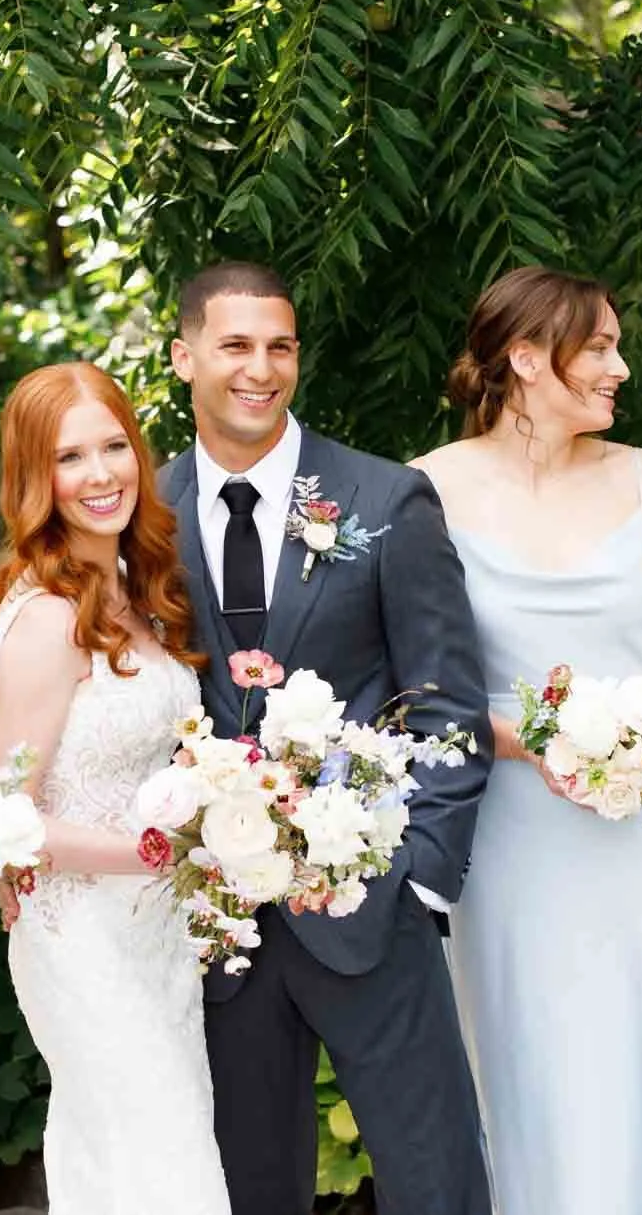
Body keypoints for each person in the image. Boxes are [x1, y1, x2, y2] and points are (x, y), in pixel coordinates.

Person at [158, 261, 493, 1215]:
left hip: (370, 904)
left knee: (436, 1181)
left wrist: (417, 876)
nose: (260, 369)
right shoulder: (142, 511)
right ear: (184, 356)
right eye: (235, 346)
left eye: (280, 346)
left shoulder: (386, 501)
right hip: (216, 925)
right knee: (247, 1188)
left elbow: (448, 706)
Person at [411, 267, 642, 1215]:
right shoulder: (426, 487)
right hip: (514, 832)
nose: (619, 367)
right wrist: (536, 746)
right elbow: (424, 686)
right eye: (598, 347)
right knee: (528, 1064)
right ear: (523, 358)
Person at [0, 362, 228, 1214]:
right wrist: (161, 849)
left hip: (158, 935)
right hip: (83, 937)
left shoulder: (138, 593)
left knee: (139, 1158)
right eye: (71, 457)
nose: (101, 472)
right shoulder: (46, 616)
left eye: (115, 446)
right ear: (35, 478)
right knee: (159, 1153)